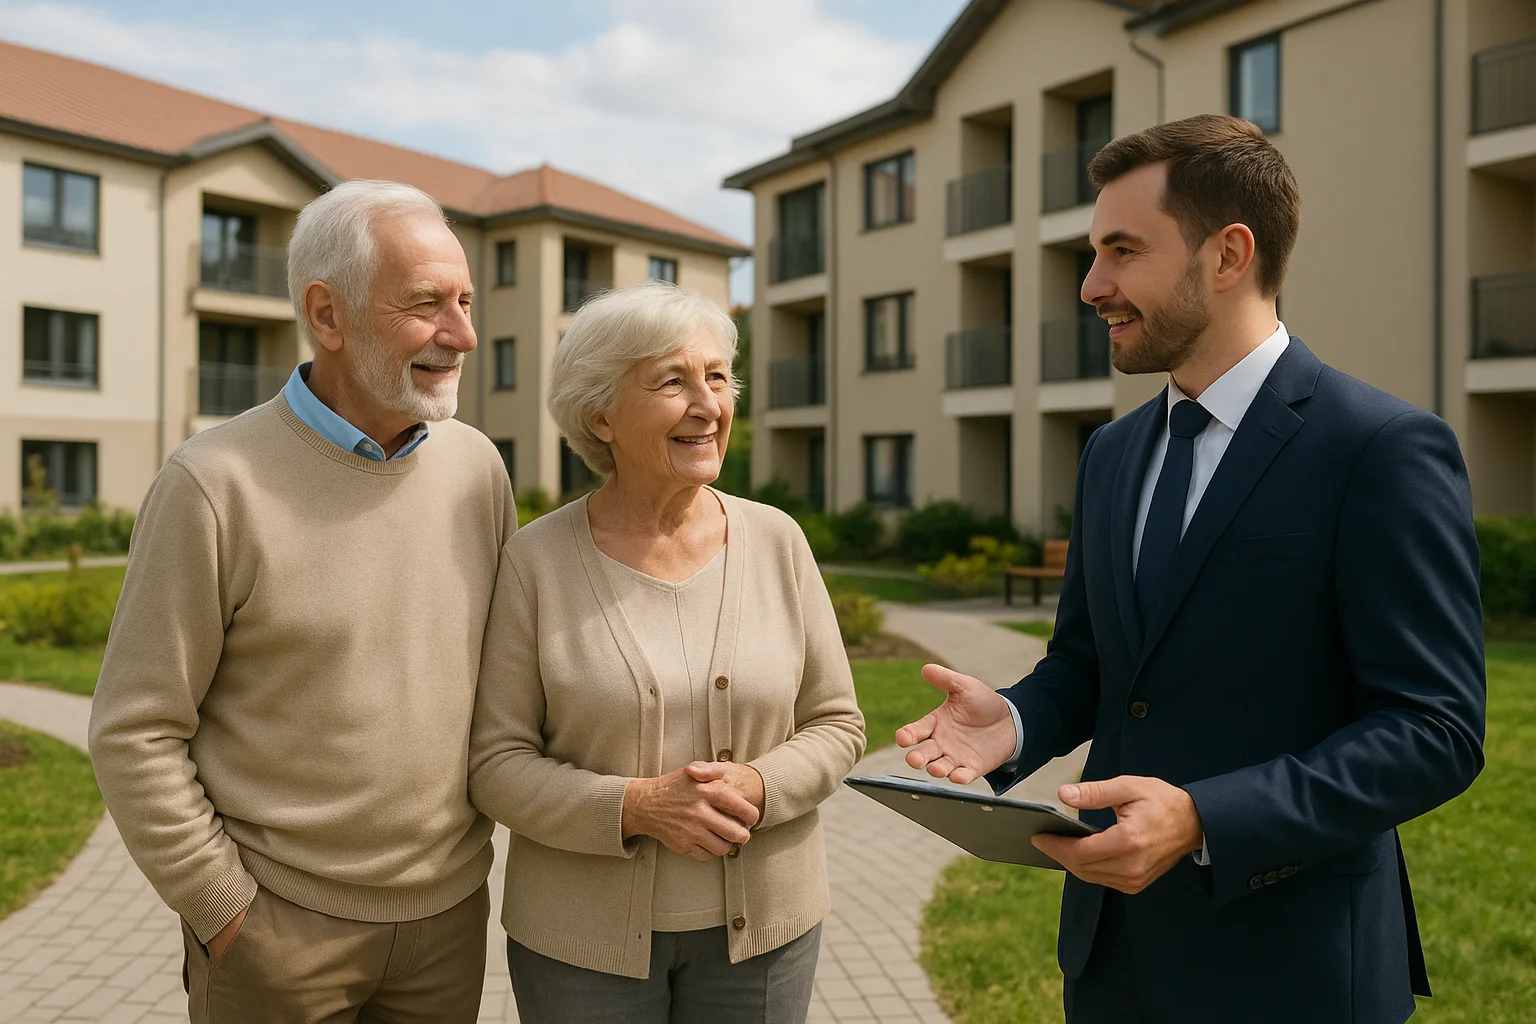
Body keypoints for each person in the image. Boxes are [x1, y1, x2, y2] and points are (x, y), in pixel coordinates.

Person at [897, 114, 1485, 1024]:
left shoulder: (1380, 448)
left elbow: (1434, 729)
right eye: (1093, 253)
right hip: (1111, 962)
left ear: (1229, 255)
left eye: (1122, 251)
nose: (1091, 286)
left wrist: (1206, 818)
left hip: (1293, 969)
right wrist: (1013, 721)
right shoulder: (1111, 453)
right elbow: (1095, 662)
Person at [89, 180, 514, 1023]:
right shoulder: (212, 484)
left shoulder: (477, 468)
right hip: (275, 934)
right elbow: (134, 728)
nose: (463, 333)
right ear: (327, 315)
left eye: (465, 302)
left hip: (450, 921)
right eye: (426, 303)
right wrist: (223, 908)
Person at [469, 281, 865, 1024]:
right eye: (673, 382)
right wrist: (636, 807)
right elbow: (496, 763)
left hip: (765, 938)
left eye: (717, 377)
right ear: (601, 416)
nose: (708, 404)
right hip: (581, 947)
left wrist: (759, 783)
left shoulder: (778, 541)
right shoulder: (535, 561)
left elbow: (837, 724)